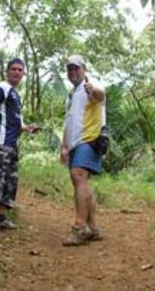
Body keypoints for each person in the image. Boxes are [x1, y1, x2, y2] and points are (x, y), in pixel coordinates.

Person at [0, 58, 38, 236]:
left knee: (10, 181)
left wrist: (27, 128)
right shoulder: (1, 87)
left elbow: (14, 121)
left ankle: (0, 217)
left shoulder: (15, 95)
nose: (17, 72)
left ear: (24, 73)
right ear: (7, 71)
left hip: (12, 144)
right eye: (13, 69)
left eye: (20, 70)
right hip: (0, 142)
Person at [60, 55, 106, 246]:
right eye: (70, 69)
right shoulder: (72, 94)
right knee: (80, 181)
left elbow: (100, 96)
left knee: (78, 175)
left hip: (90, 139)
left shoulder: (91, 84)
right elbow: (69, 121)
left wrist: (92, 90)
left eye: (76, 68)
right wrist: (64, 146)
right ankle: (93, 227)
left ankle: (80, 227)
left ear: (84, 69)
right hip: (74, 144)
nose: (73, 72)